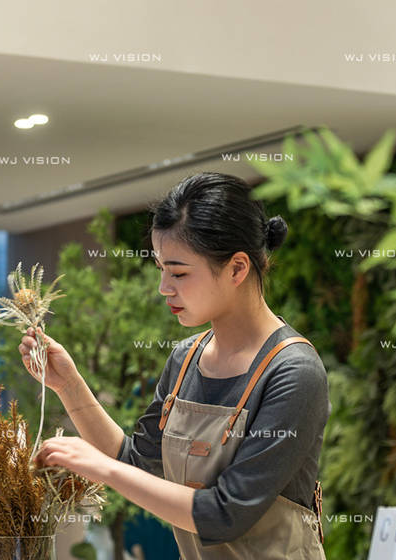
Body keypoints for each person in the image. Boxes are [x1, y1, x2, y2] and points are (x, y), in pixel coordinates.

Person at [21, 172, 331, 559]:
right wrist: (68, 386)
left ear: (237, 268)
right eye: (161, 269)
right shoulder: (185, 360)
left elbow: (225, 514)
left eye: (179, 272)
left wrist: (100, 468)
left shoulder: (293, 373)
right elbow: (137, 464)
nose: (164, 288)